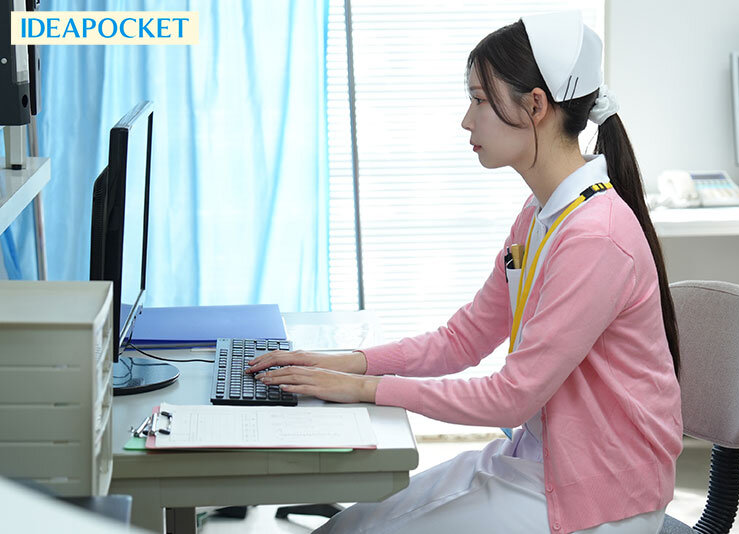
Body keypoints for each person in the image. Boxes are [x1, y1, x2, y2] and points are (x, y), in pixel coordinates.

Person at [247, 10, 683, 534]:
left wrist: (363, 388)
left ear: (535, 106)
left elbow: (511, 397)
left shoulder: (595, 238)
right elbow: (464, 338)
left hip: (600, 498)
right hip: (540, 464)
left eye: (479, 99)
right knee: (350, 525)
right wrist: (346, 364)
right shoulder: (541, 215)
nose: (466, 120)